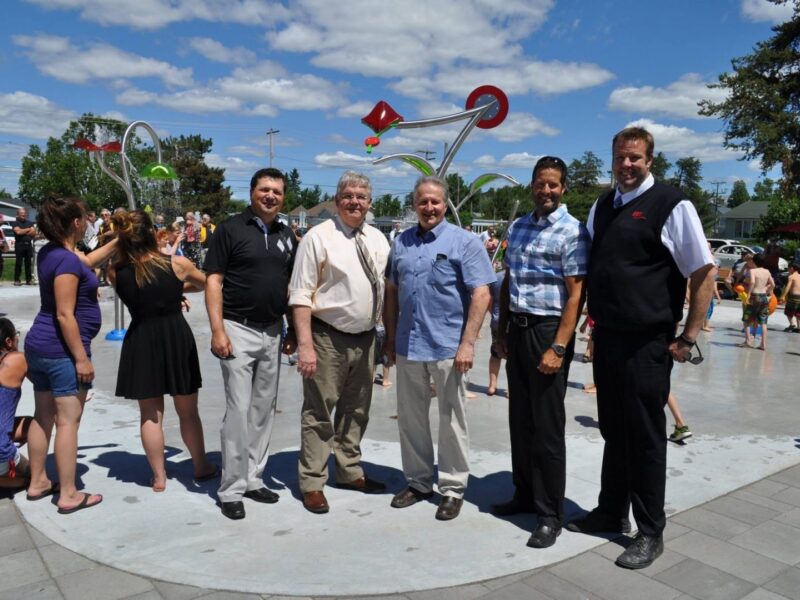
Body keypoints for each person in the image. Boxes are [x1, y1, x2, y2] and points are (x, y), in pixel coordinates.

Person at [567, 127, 716, 569]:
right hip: (608, 338)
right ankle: (611, 511)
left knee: (647, 437)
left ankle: (651, 531)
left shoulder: (671, 204)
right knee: (614, 430)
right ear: (612, 160)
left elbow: (703, 272)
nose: (627, 165)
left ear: (650, 160)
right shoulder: (603, 206)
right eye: (621, 158)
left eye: (635, 158)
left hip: (648, 342)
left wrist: (688, 336)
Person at [493, 156, 590, 548]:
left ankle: (550, 514)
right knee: (521, 420)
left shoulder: (572, 231)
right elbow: (508, 280)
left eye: (553, 185)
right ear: (531, 185)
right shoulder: (517, 227)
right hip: (517, 328)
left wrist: (560, 346)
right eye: (540, 183)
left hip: (548, 331)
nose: (546, 191)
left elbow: (576, 294)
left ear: (563, 187)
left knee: (548, 428)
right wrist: (500, 332)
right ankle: (524, 493)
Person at [384, 175, 494, 521]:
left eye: (435, 201)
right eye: (422, 201)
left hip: (448, 346)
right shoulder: (401, 243)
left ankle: (452, 487)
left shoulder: (465, 242)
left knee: (451, 420)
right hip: (408, 344)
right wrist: (389, 338)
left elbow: (482, 293)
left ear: (445, 205)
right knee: (411, 420)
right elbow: (391, 291)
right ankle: (417, 482)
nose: (429, 207)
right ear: (414, 204)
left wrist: (468, 343)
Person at [290, 171, 390, 514]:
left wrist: (386, 337)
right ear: (336, 201)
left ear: (369, 202)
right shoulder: (318, 238)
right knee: (319, 412)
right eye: (347, 195)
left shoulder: (378, 239)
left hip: (365, 339)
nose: (354, 201)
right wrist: (305, 345)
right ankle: (313, 482)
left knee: (356, 410)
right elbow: (300, 295)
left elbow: (386, 290)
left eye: (361, 196)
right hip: (327, 336)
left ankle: (349, 471)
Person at [204, 168, 297, 520]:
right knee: (238, 412)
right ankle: (231, 489)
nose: (270, 196)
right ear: (252, 192)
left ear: (283, 197)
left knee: (262, 411)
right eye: (264, 190)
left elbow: (287, 287)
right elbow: (214, 282)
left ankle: (254, 478)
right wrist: (217, 331)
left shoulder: (286, 234)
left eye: (276, 191)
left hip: (272, 331)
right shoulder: (229, 230)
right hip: (237, 329)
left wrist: (289, 329)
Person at [108, 210, 217, 492]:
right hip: (175, 336)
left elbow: (143, 288)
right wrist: (176, 292)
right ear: (152, 233)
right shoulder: (177, 263)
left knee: (150, 415)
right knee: (188, 412)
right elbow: (209, 284)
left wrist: (171, 292)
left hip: (141, 337)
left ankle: (158, 477)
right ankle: (201, 466)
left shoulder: (115, 271)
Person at [24, 197, 117, 514]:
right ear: (76, 223)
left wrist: (121, 239)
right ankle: (68, 493)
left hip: (40, 346)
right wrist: (81, 358)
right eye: (85, 217)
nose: (89, 221)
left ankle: (37, 482)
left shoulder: (53, 252)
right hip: (60, 349)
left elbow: (88, 262)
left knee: (44, 415)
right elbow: (65, 315)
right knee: (67, 422)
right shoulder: (65, 260)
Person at [0, 318, 32, 489]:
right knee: (36, 426)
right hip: (0, 447)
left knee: (26, 424)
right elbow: (44, 386)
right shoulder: (17, 359)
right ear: (9, 341)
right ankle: (28, 477)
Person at [741, 253, 775, 350]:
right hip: (764, 297)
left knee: (746, 320)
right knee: (763, 322)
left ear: (754, 261)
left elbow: (751, 282)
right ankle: (763, 344)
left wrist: (748, 296)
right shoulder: (767, 271)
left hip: (754, 296)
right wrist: (766, 291)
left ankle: (748, 341)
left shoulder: (753, 271)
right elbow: (772, 284)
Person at [487, 261, 505, 396]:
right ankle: (512, 388)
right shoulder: (517, 276)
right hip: (513, 322)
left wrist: (493, 314)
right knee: (514, 357)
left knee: (495, 353)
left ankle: (492, 385)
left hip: (497, 321)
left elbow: (489, 301)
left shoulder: (496, 277)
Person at [12, 208, 36, 286]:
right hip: (19, 244)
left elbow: (33, 233)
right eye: (22, 213)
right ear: (18, 214)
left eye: (25, 213)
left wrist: (23, 231)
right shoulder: (15, 223)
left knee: (28, 263)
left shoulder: (30, 222)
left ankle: (28, 280)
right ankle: (17, 280)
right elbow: (18, 232)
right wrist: (28, 229)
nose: (24, 215)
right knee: (19, 263)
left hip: (28, 244)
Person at [780, 263, 800, 332]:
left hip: (793, 297)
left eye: (788, 269)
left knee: (788, 312)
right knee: (798, 313)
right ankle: (798, 327)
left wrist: (783, 296)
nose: (788, 270)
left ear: (791, 268)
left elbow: (788, 287)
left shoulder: (791, 277)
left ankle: (792, 324)